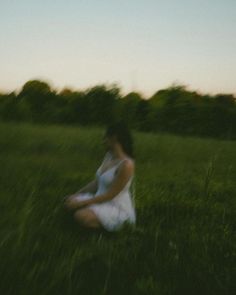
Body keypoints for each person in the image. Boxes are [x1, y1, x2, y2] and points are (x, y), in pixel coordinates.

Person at [64, 121, 136, 232]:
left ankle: (109, 229)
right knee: (69, 200)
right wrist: (77, 194)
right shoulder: (108, 156)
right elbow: (97, 182)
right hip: (99, 199)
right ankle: (89, 219)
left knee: (81, 216)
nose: (103, 142)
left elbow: (110, 195)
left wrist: (80, 203)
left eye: (105, 138)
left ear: (114, 138)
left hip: (115, 207)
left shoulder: (126, 165)